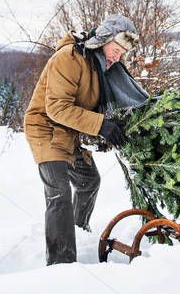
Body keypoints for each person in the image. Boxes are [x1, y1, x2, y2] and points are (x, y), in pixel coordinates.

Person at [23, 14, 140, 265]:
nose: (117, 57)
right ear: (102, 40)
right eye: (115, 49)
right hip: (45, 127)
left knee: (89, 181)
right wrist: (100, 125)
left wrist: (106, 130)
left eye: (122, 53)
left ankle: (77, 231)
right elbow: (56, 108)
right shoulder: (69, 58)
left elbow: (91, 104)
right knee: (59, 193)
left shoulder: (101, 66)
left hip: (69, 131)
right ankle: (61, 262)